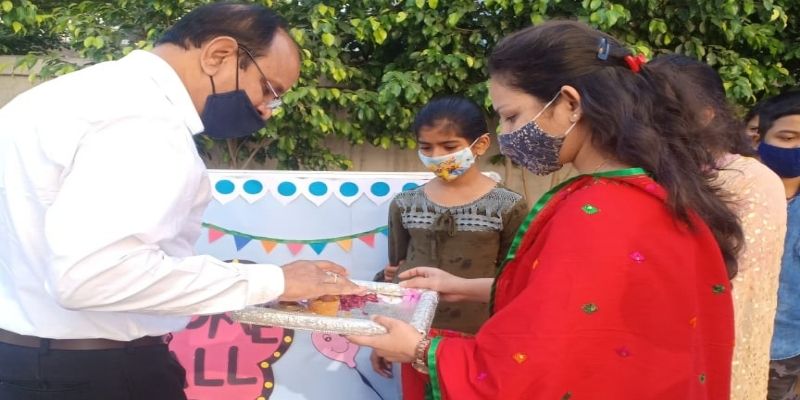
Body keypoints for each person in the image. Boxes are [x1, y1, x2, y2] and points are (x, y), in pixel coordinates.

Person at [349, 21, 743, 399]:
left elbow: (530, 366)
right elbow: (572, 307)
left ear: (570, 103)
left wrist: (419, 350)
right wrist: (459, 286)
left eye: (511, 116)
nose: (506, 135)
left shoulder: (594, 212)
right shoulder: (657, 196)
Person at [0, 4, 361, 400]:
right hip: (97, 373)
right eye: (269, 90)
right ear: (219, 55)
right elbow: (95, 277)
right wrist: (275, 280)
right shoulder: (143, 120)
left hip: (22, 361)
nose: (266, 110)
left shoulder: (51, 99)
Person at [649, 54, 787, 400]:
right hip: (650, 349)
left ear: (706, 115)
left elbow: (740, 287)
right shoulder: (652, 174)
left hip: (717, 351)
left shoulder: (752, 181)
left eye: (662, 111)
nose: (648, 122)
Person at [370, 97, 527, 398]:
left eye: (449, 146)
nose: (436, 156)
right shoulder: (405, 204)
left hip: (479, 339)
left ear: (480, 145)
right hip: (412, 334)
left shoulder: (508, 205)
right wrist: (384, 334)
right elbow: (397, 274)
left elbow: (516, 279)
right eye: (426, 147)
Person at [759, 89, 800, 400]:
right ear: (759, 138)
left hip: (786, 351)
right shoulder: (732, 199)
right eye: (787, 138)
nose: (797, 148)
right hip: (727, 341)